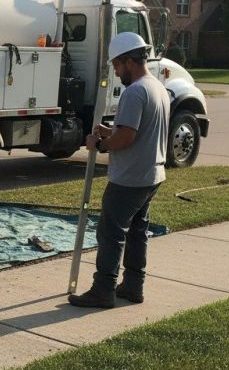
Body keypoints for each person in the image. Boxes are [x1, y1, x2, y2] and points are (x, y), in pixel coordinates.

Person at [68, 31, 170, 308]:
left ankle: (103, 289)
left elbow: (127, 138)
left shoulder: (135, 92)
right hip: (151, 174)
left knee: (110, 233)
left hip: (130, 179)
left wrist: (100, 144)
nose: (115, 70)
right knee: (137, 231)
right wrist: (111, 131)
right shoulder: (157, 88)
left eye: (117, 64)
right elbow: (135, 130)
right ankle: (133, 286)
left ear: (129, 61)